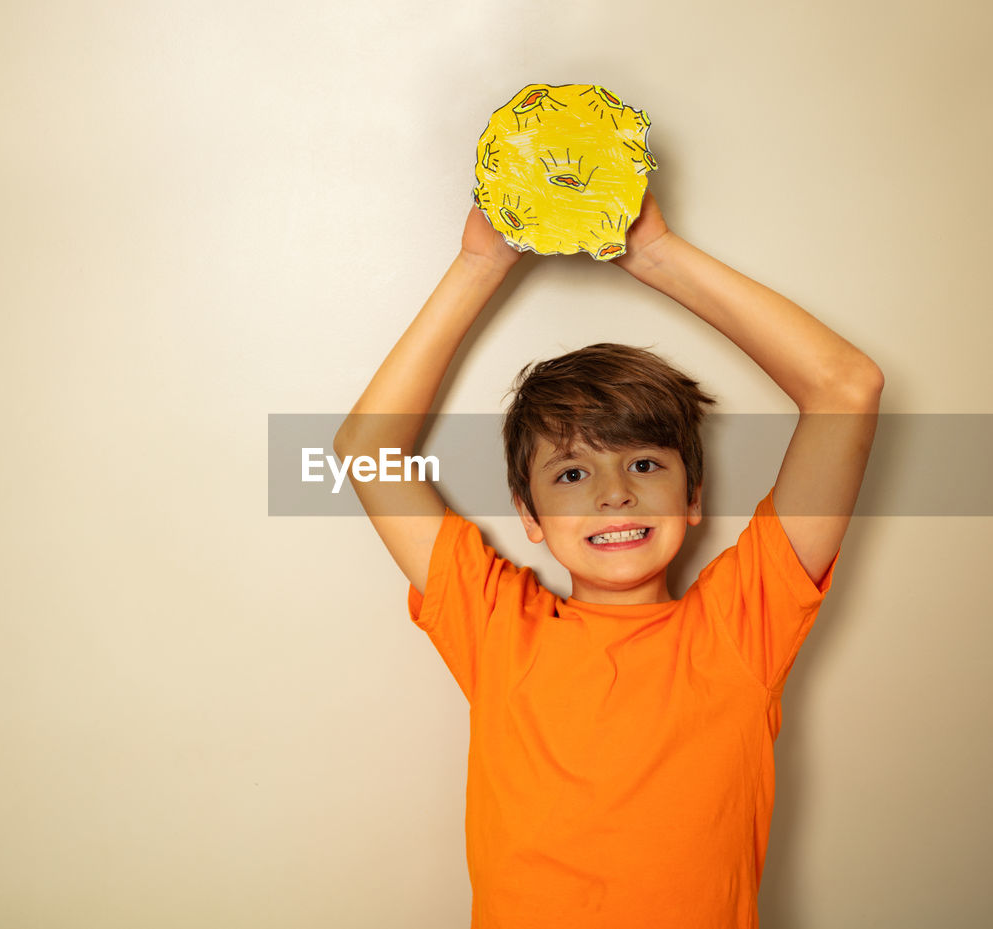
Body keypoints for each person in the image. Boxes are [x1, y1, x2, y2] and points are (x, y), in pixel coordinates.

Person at [333, 191, 883, 928]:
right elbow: (364, 452)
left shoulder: (742, 623)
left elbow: (847, 386)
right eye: (570, 473)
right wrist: (480, 261)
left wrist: (653, 253)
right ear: (528, 516)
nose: (614, 495)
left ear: (694, 497)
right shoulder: (496, 624)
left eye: (646, 465)